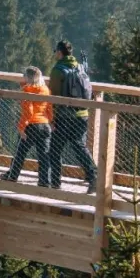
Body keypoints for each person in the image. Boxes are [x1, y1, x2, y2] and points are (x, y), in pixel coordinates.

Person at [47, 40, 98, 192]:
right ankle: (93, 176)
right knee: (79, 146)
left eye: (55, 51)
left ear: (59, 52)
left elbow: (53, 97)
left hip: (64, 116)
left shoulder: (57, 70)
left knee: (55, 149)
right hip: (82, 114)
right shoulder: (80, 66)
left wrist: (52, 118)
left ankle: (55, 183)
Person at [1, 67, 53, 186]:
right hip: (45, 125)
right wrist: (50, 121)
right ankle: (45, 181)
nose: (23, 77)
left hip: (31, 126)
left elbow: (28, 112)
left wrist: (21, 128)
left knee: (20, 153)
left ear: (28, 78)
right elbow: (49, 108)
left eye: (24, 75)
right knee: (44, 155)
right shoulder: (45, 89)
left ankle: (12, 176)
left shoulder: (27, 90)